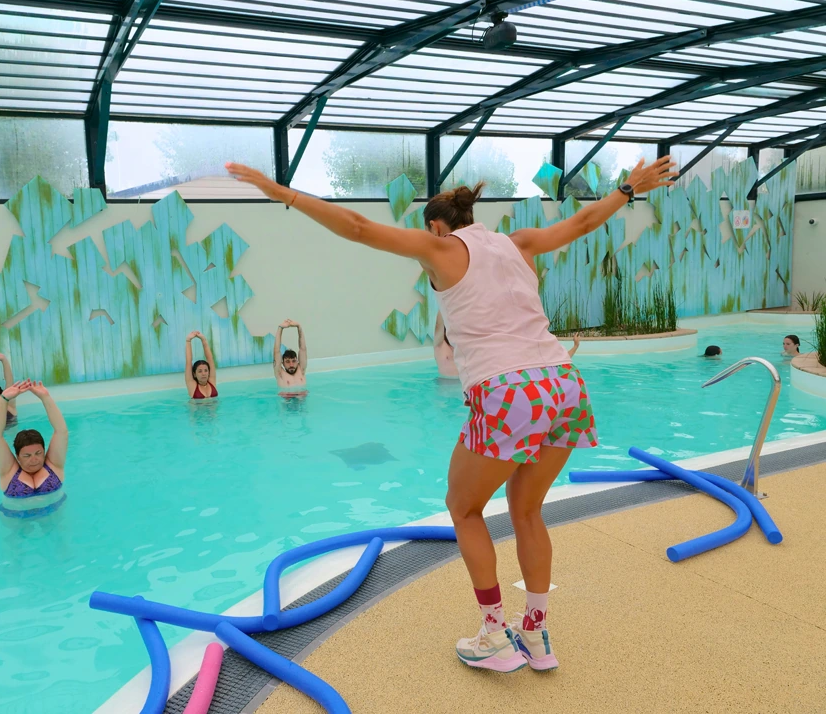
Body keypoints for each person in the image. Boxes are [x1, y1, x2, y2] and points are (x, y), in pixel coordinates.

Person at [227, 155, 676, 673]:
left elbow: (356, 226)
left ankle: (494, 636)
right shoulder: (518, 242)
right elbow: (582, 223)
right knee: (527, 510)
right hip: (564, 384)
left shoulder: (439, 248)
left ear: (438, 226)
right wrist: (627, 187)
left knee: (463, 509)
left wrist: (279, 191)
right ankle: (536, 635)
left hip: (509, 391)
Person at [0, 379, 68, 518]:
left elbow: (61, 431)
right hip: (15, 517)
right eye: (27, 456)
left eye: (38, 453)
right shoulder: (8, 471)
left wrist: (45, 397)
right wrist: (3, 399)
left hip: (54, 514)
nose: (34, 459)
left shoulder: (54, 464)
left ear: (44, 451)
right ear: (17, 456)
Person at [274, 319, 308, 393]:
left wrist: (299, 327)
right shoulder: (280, 374)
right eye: (287, 362)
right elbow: (277, 351)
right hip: (287, 403)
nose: (291, 364)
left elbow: (303, 349)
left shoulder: (301, 370)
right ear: (282, 363)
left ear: (297, 361)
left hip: (302, 402)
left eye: (293, 361)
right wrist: (280, 328)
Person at [185, 330, 217, 399]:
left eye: (206, 370)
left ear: (209, 372)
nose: (203, 373)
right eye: (200, 371)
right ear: (194, 374)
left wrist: (203, 339)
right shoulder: (192, 385)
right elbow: (188, 362)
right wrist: (188, 341)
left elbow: (210, 359)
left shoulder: (211, 381)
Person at [434, 311, 458, 379]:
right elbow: (438, 324)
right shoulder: (440, 345)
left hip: (461, 385)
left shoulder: (462, 345)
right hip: (444, 384)